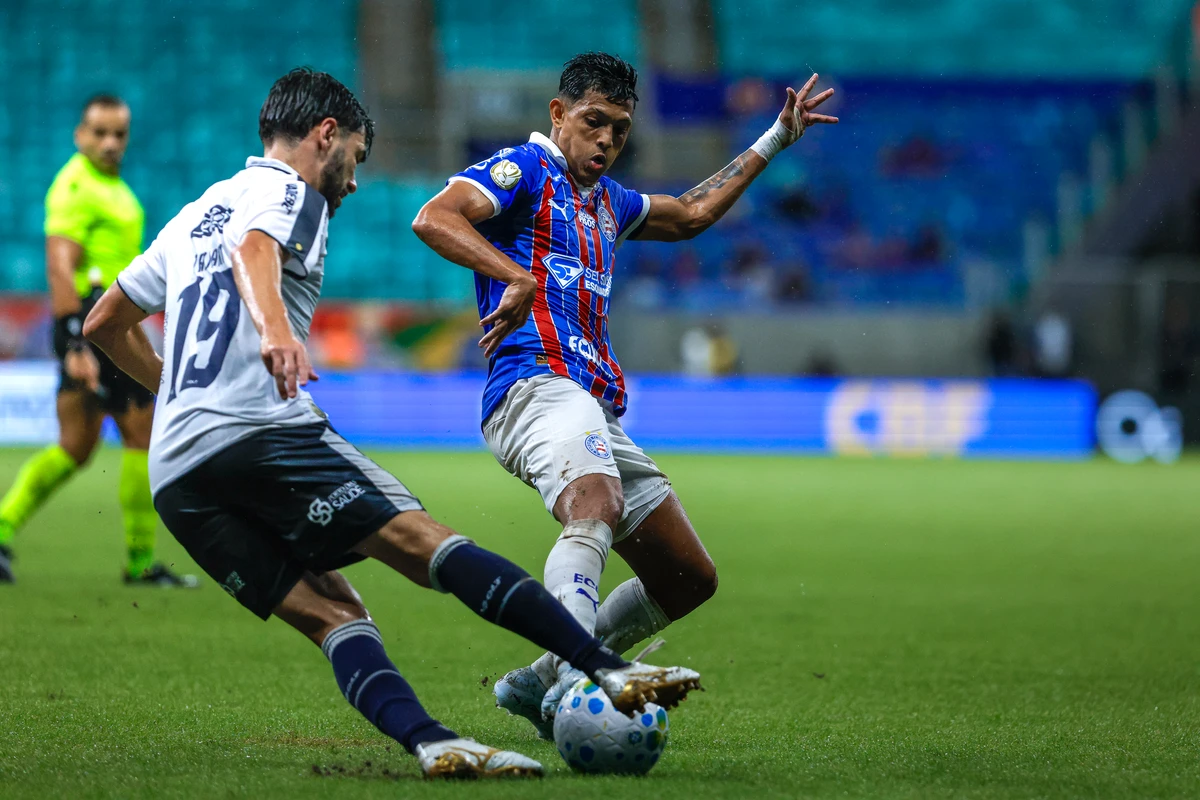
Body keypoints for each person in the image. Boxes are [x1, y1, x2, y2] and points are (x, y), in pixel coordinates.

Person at [82, 68, 699, 779]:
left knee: (333, 613)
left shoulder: (196, 211)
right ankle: (602, 667)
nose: (351, 183)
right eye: (356, 158)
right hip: (260, 429)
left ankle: (434, 742)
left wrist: (176, 399)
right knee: (423, 542)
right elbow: (254, 251)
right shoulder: (292, 192)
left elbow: (105, 323)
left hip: (178, 471)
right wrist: (277, 331)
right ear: (326, 136)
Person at [412, 52, 837, 736]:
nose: (607, 139)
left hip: (591, 404)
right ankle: (585, 673)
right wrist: (512, 275)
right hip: (533, 384)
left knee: (687, 576)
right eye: (594, 121)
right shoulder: (524, 170)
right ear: (558, 114)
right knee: (596, 502)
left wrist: (775, 138)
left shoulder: (610, 202)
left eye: (620, 129)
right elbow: (434, 217)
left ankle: (539, 679)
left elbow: (694, 212)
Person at [0, 95, 194, 586]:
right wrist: (75, 342)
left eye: (119, 134)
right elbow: (60, 263)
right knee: (142, 436)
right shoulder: (75, 186)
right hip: (96, 324)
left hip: (97, 323)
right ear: (79, 135)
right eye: (99, 132)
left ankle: (1, 531)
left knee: (75, 445)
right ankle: (139, 563)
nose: (110, 143)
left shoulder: (114, 190)